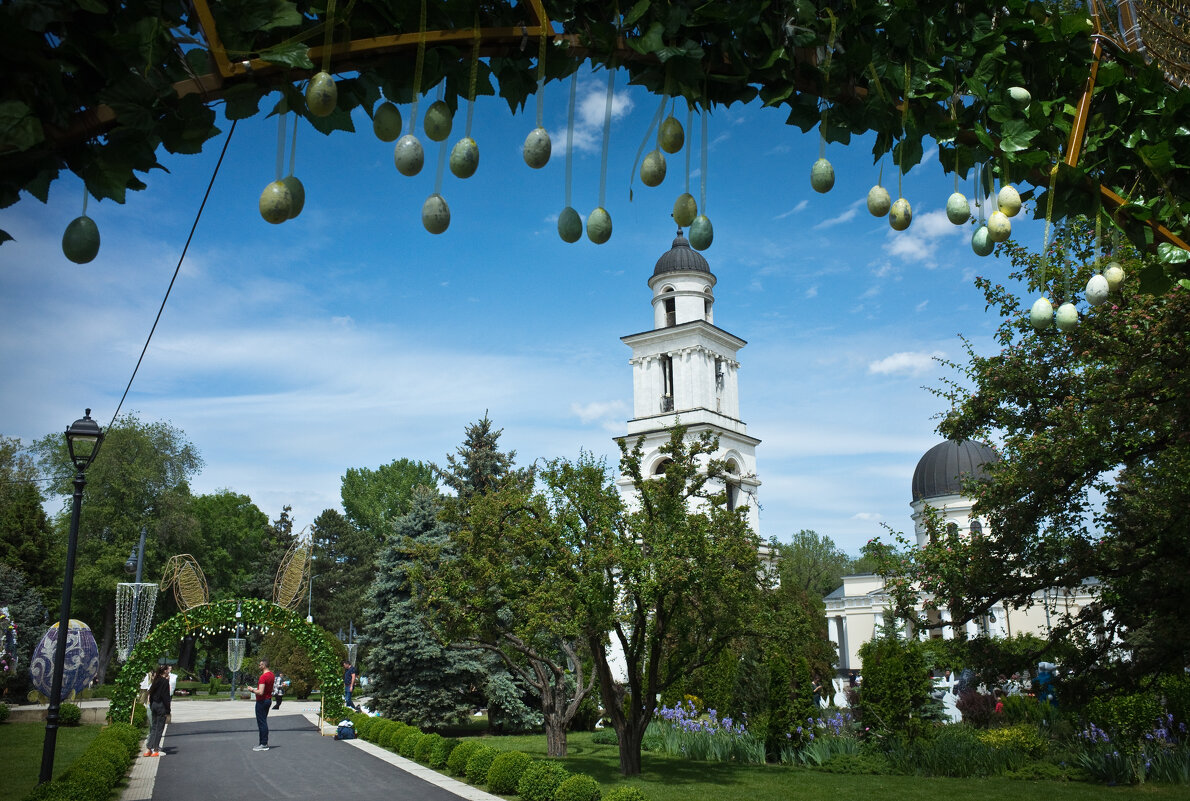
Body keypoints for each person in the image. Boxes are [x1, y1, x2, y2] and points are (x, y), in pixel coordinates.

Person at [144, 665, 171, 757]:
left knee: (154, 727)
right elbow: (166, 697)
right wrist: (168, 710)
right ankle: (155, 750)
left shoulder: (156, 680)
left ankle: (148, 749)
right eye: (168, 670)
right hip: (161, 705)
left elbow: (151, 693)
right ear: (165, 671)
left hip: (154, 704)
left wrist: (152, 704)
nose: (169, 671)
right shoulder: (165, 682)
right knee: (159, 728)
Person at [252, 658, 275, 751]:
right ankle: (263, 743)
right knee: (263, 721)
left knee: (262, 722)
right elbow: (271, 689)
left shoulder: (263, 677)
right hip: (268, 700)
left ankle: (263, 744)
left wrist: (252, 690)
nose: (259, 666)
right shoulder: (272, 675)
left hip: (262, 701)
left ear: (264, 665)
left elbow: (260, 692)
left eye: (260, 665)